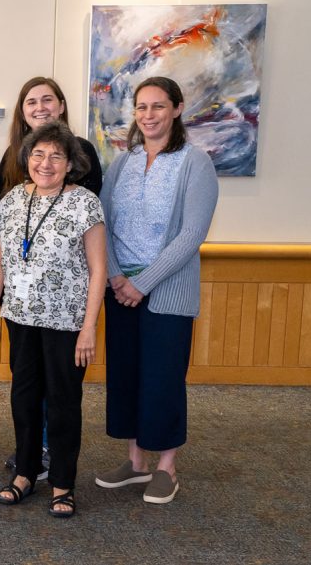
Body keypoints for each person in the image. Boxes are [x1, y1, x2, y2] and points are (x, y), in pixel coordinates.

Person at [94, 76, 218, 504]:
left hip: (166, 292)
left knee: (163, 378)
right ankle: (135, 463)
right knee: (126, 376)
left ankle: (166, 466)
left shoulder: (195, 162)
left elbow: (191, 235)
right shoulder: (123, 162)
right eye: (142, 107)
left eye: (158, 107)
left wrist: (142, 284)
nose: (149, 115)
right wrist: (114, 277)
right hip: (120, 287)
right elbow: (101, 223)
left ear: (178, 109)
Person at [0, 122, 107, 518]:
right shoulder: (14, 199)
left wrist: (89, 326)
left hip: (68, 323)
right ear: (27, 159)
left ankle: (63, 483)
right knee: (24, 397)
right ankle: (25, 473)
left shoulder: (85, 203)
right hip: (19, 317)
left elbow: (98, 269)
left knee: (64, 403)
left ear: (70, 163)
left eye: (56, 155)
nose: (45, 162)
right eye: (38, 154)